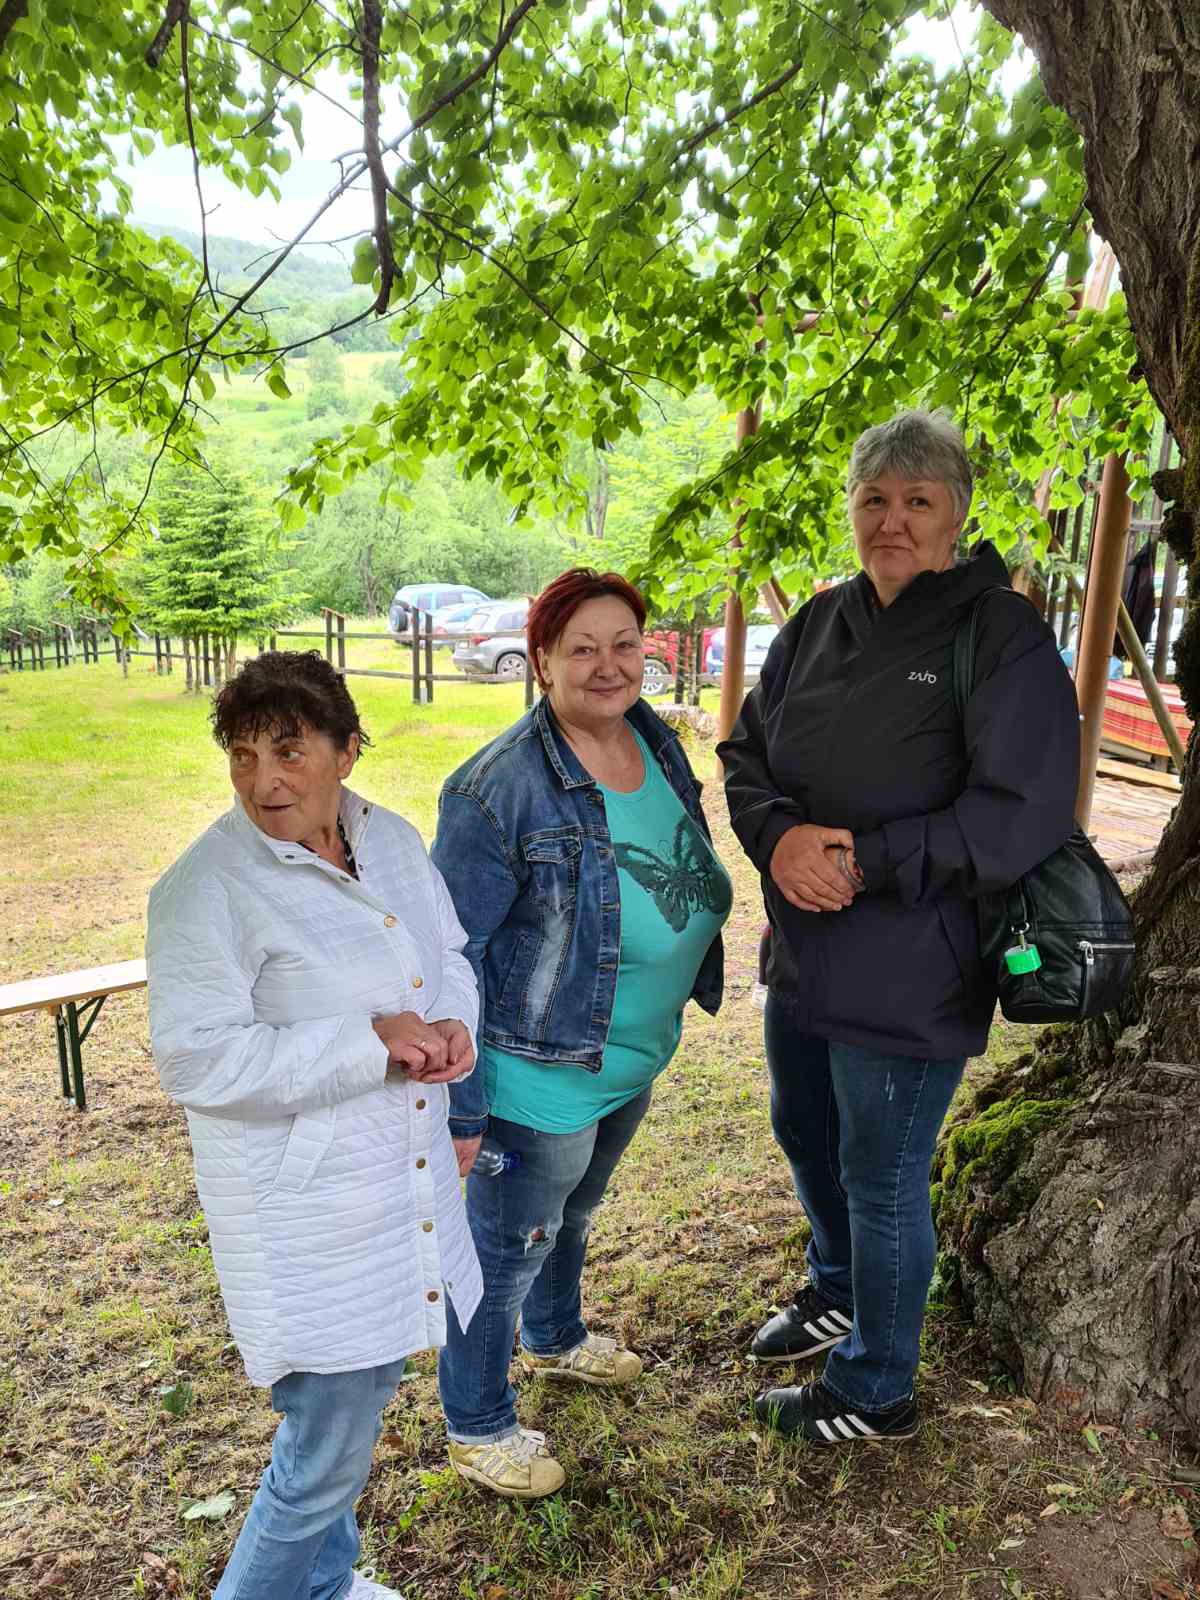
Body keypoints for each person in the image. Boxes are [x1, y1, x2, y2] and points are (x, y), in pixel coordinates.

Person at [719, 410, 1079, 1446]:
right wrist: (779, 838)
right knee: (804, 1128)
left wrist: (868, 859)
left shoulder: (998, 634)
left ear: (956, 514)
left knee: (881, 1178)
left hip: (920, 961)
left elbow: (1020, 813)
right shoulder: (817, 624)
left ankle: (877, 1388)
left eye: (918, 501)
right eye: (874, 498)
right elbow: (746, 756)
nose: (893, 520)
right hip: (805, 947)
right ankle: (838, 1286)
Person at [146, 651, 482, 1600]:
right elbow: (197, 1060)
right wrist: (369, 1041)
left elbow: (450, 956)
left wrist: (453, 1025)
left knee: (354, 1407)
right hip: (306, 1215)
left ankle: (326, 1587)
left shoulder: (394, 842)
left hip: (393, 1182)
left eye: (289, 751)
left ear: (346, 750)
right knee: (324, 1454)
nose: (264, 780)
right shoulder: (208, 886)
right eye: (243, 755)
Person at [431, 568, 730, 1498]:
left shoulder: (652, 738)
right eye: (582, 649)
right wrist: (463, 1106)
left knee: (574, 1211)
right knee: (508, 1245)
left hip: (628, 1053)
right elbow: (450, 956)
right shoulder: (495, 790)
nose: (609, 666)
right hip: (539, 1073)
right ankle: (477, 1422)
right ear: (541, 662)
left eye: (625, 644)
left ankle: (556, 1337)